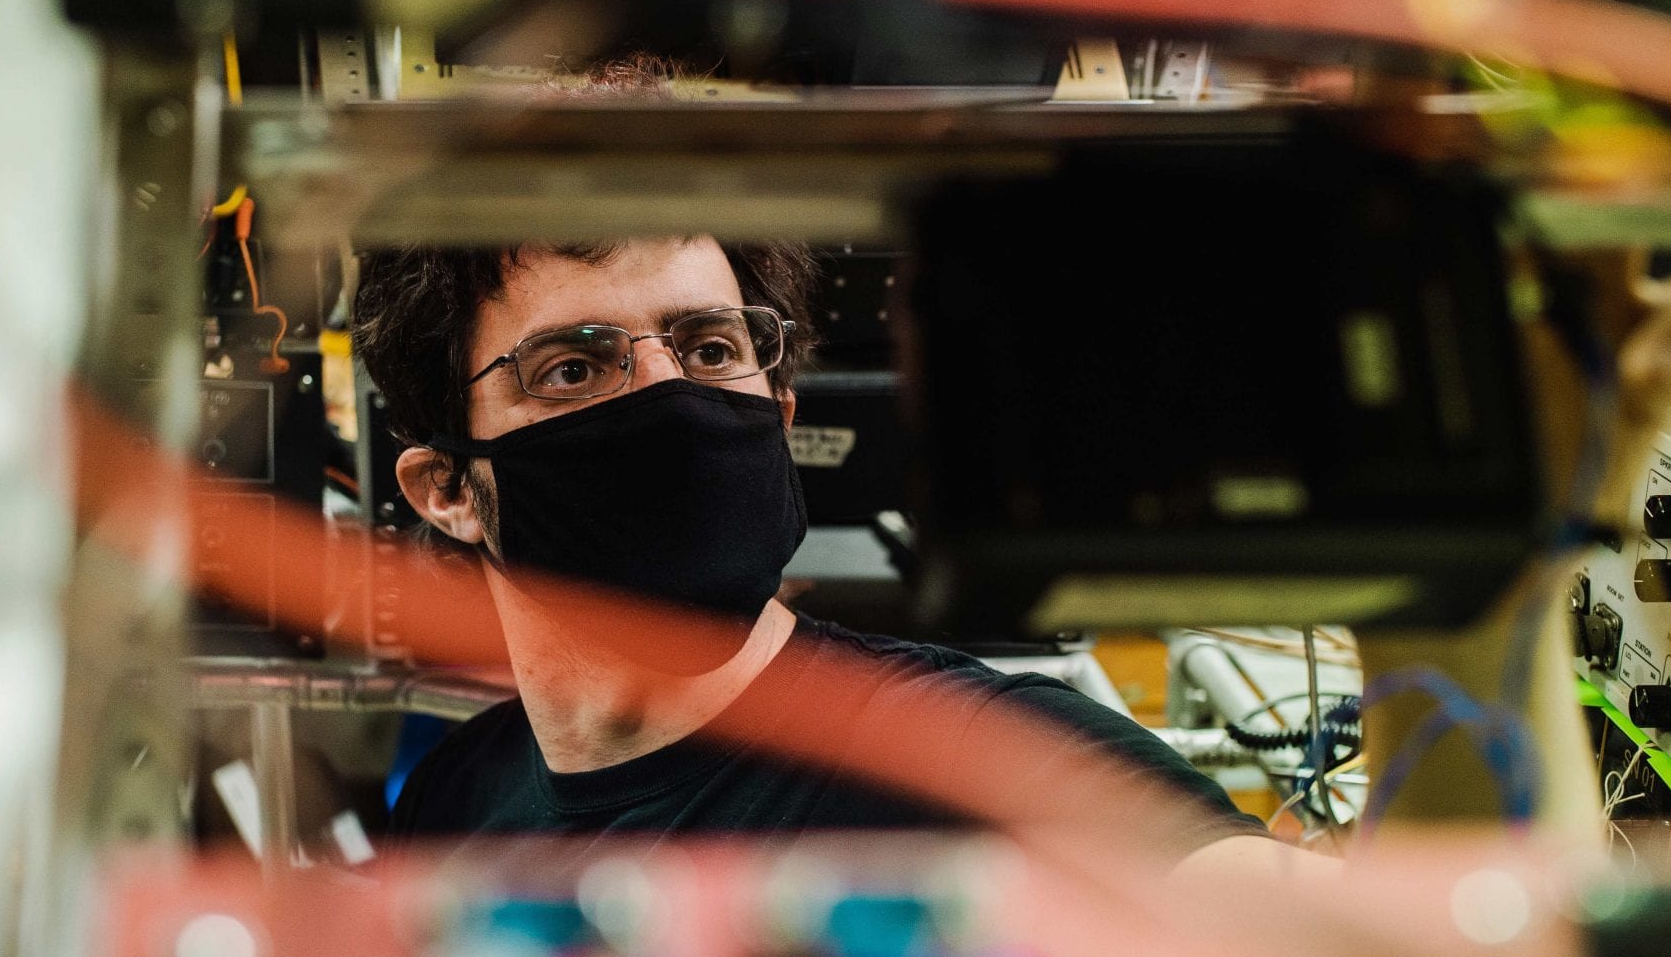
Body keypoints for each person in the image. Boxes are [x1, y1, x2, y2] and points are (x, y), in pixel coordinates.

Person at [350, 227, 1281, 866]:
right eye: (576, 367)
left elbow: (1261, 912)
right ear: (447, 491)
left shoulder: (963, 753)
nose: (667, 398)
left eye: (710, 349)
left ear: (780, 417)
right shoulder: (457, 795)